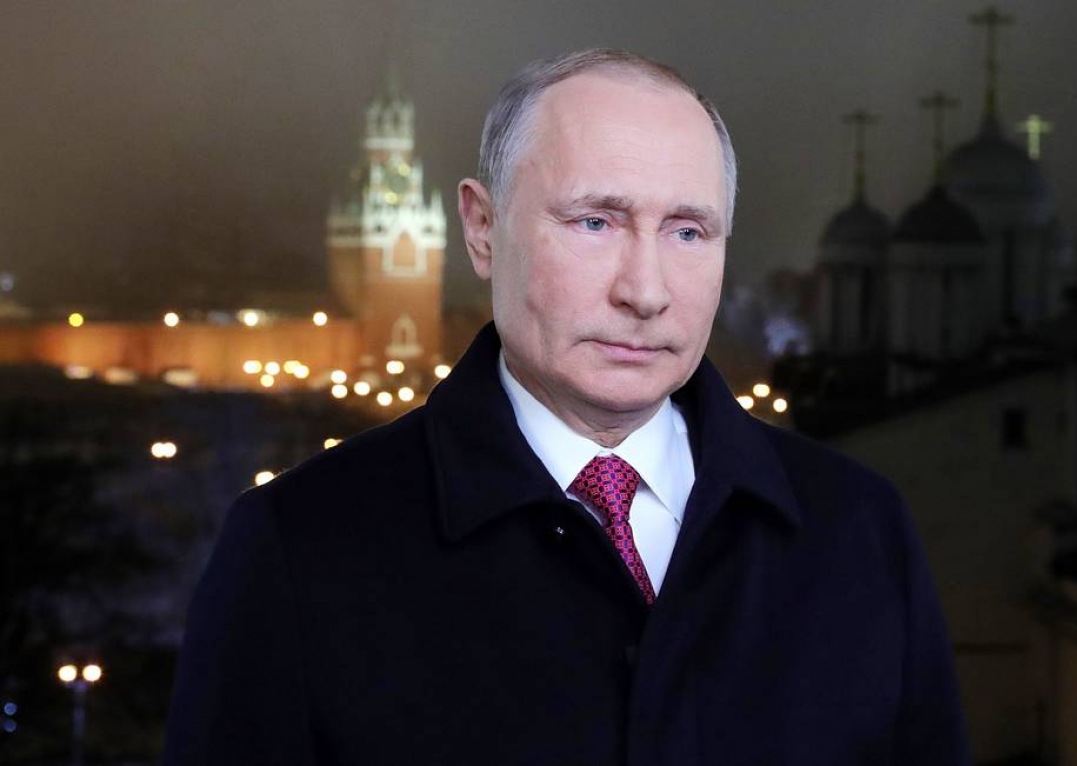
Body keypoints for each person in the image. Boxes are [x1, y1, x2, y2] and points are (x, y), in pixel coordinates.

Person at [164, 48, 970, 765]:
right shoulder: (301, 545)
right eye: (595, 222)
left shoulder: (858, 529)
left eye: (688, 232)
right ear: (481, 228)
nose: (645, 291)